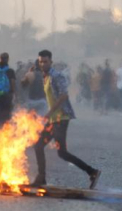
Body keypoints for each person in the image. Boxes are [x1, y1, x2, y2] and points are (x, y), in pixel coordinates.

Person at [31, 49, 101, 189]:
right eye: (41, 62)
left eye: (45, 61)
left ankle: (92, 172)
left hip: (61, 118)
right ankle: (41, 178)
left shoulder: (57, 76)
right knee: (39, 146)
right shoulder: (44, 77)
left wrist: (50, 112)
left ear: (51, 62)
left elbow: (64, 96)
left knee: (61, 152)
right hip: (53, 119)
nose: (43, 64)